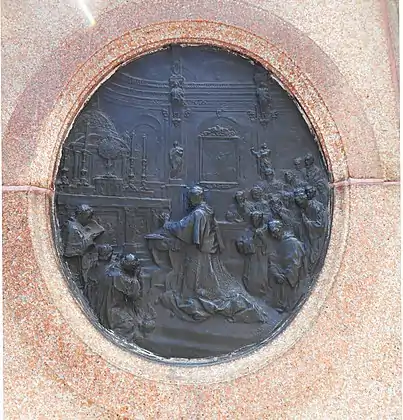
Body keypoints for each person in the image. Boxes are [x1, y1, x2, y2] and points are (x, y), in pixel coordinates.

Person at [151, 185, 267, 323]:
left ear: (196, 197)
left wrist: (166, 224)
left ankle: (197, 299)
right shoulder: (207, 210)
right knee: (207, 277)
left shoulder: (198, 214)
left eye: (191, 197)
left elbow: (182, 227)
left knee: (197, 278)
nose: (189, 200)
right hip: (207, 250)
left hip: (199, 253)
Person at [267, 220, 306, 312]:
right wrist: (276, 273)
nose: (273, 235)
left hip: (292, 279)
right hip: (283, 277)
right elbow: (275, 260)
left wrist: (286, 277)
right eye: (271, 233)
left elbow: (295, 264)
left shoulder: (292, 243)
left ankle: (288, 305)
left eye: (275, 231)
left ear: (281, 229)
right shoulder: (281, 243)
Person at [62, 204, 104, 288]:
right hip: (73, 259)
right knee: (75, 279)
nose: (89, 220)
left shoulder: (78, 226)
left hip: (78, 259)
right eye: (88, 217)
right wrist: (90, 236)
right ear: (80, 215)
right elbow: (79, 247)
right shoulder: (73, 227)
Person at [294, 187, 327, 266]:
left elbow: (320, 225)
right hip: (306, 238)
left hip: (315, 238)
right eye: (298, 203)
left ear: (305, 198)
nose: (300, 205)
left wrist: (307, 222)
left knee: (312, 258)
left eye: (301, 202)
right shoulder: (303, 209)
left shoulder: (316, 207)